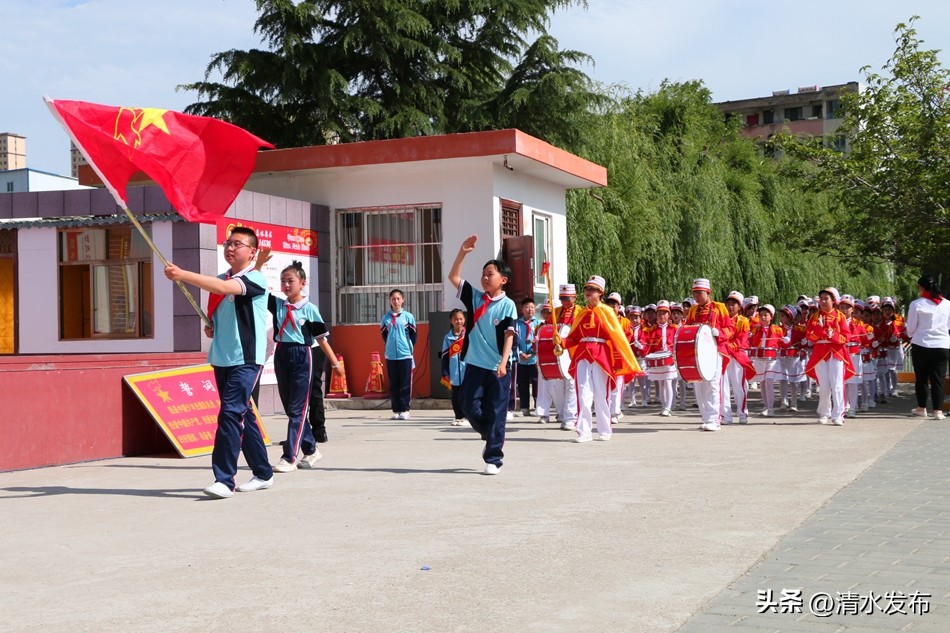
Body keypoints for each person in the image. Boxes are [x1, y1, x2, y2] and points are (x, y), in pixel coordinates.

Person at [163, 226, 274, 498]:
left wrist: (183, 275)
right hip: (222, 357)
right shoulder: (222, 278)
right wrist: (212, 327)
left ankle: (224, 479)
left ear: (252, 252)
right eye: (228, 243)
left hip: (246, 359)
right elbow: (220, 308)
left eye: (238, 244)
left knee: (229, 414)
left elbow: (226, 289)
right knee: (242, 415)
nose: (231, 247)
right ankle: (263, 472)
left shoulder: (254, 278)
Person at [265, 260, 345, 473]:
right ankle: (311, 450)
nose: (286, 285)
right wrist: (259, 265)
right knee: (291, 408)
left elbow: (321, 340)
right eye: (283, 281)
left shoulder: (310, 309)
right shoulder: (278, 305)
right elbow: (256, 291)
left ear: (302, 283)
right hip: (282, 354)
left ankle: (289, 456)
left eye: (290, 281)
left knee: (298, 408)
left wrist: (336, 364)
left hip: (302, 355)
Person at [448, 235, 517, 475]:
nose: (485, 277)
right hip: (475, 364)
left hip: (497, 366)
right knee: (467, 404)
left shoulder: (508, 305)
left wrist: (504, 362)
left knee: (497, 411)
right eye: (484, 274)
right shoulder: (475, 297)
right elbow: (454, 277)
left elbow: (509, 335)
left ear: (503, 280)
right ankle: (489, 432)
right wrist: (462, 252)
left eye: (491, 274)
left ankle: (494, 458)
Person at [561, 275, 640, 442]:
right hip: (582, 355)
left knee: (601, 394)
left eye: (592, 289)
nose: (588, 292)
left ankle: (604, 430)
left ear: (600, 292)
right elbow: (573, 338)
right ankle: (584, 431)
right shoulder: (581, 313)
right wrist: (561, 342)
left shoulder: (607, 312)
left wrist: (618, 361)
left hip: (601, 355)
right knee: (583, 394)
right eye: (586, 289)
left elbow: (617, 338)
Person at [684, 278, 735, 431]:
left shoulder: (719, 308)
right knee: (698, 386)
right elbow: (687, 329)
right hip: (698, 353)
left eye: (699, 293)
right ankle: (705, 418)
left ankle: (715, 419)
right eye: (694, 293)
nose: (697, 297)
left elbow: (730, 329)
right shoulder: (693, 310)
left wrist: (718, 332)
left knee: (713, 384)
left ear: (708, 292)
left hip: (716, 350)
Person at [805, 287, 856, 426]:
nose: (822, 301)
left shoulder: (840, 316)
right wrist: (820, 329)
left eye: (826, 298)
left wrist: (831, 334)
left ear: (833, 301)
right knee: (824, 385)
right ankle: (824, 412)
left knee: (837, 384)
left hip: (836, 352)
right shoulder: (814, 317)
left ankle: (838, 414)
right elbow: (810, 336)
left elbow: (846, 337)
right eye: (821, 298)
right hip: (820, 352)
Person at [906, 275, 950, 419]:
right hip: (942, 345)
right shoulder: (947, 304)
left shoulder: (916, 304)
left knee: (922, 378)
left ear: (922, 288)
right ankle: (938, 411)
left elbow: (911, 328)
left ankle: (921, 408)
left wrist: (912, 333)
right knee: (939, 379)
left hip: (921, 344)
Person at [381, 289, 417, 420]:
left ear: (403, 300)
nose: (396, 301)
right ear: (390, 301)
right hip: (391, 355)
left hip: (405, 354)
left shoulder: (408, 317)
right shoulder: (386, 318)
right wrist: (391, 345)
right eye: (393, 299)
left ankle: (405, 409)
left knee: (405, 383)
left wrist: (407, 347)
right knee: (394, 383)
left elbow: (413, 336)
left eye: (398, 298)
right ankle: (396, 409)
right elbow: (384, 335)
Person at [552, 284, 580, 430]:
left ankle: (571, 417)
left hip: (574, 352)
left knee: (571, 384)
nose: (564, 301)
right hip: (558, 352)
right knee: (556, 385)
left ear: (574, 297)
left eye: (567, 298)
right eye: (562, 298)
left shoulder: (581, 311)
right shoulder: (555, 312)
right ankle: (562, 413)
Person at [749, 304, 784, 418]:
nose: (763, 317)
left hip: (772, 359)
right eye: (761, 315)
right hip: (759, 359)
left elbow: (782, 344)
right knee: (762, 383)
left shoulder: (777, 329)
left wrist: (786, 341)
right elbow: (752, 342)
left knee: (769, 382)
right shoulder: (756, 329)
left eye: (765, 315)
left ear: (771, 317)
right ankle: (765, 406)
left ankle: (771, 408)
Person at [643, 299, 677, 416]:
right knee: (661, 383)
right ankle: (664, 406)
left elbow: (677, 343)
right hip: (658, 359)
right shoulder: (652, 330)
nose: (662, 315)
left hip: (669, 359)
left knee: (668, 382)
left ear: (668, 314)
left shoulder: (674, 328)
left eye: (664, 313)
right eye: (659, 313)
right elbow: (648, 344)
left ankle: (668, 407)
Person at [441, 308, 468, 425]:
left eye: (461, 319)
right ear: (451, 321)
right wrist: (445, 373)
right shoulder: (447, 338)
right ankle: (458, 416)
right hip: (454, 373)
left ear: (464, 320)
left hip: (467, 372)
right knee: (456, 396)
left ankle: (467, 416)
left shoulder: (469, 335)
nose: (459, 321)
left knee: (466, 396)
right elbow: (444, 357)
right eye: (456, 319)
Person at [515, 297, 541, 417]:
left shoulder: (539, 324)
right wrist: (520, 352)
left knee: (536, 382)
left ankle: (538, 405)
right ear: (522, 309)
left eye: (532, 307)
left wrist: (532, 353)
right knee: (522, 383)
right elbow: (514, 340)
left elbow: (539, 341)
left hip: (534, 359)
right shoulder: (517, 324)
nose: (529, 310)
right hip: (521, 359)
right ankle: (524, 407)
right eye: (527, 307)